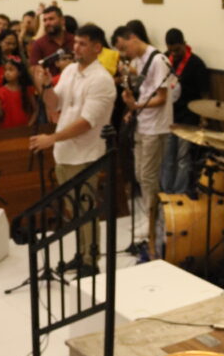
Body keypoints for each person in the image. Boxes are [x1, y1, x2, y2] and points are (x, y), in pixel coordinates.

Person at [29, 20, 118, 191]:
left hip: (84, 156)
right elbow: (54, 104)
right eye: (75, 42)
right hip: (64, 152)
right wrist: (47, 85)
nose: (75, 48)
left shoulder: (101, 79)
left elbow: (86, 122)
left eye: (82, 44)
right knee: (69, 204)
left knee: (83, 205)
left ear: (97, 48)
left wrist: (51, 138)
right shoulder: (70, 70)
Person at [117, 21, 174, 259]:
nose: (125, 54)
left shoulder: (158, 60)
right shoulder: (139, 61)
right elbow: (144, 92)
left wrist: (136, 105)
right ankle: (146, 217)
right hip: (142, 123)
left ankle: (154, 223)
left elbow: (162, 97)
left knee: (149, 177)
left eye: (124, 48)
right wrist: (132, 107)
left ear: (133, 38)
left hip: (156, 127)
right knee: (140, 174)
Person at [161, 27, 213, 194]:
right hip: (168, 115)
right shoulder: (164, 60)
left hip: (188, 117)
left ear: (184, 44)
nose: (174, 54)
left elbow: (205, 94)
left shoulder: (196, 64)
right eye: (171, 50)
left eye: (177, 50)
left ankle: (179, 192)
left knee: (183, 158)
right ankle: (166, 191)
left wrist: (204, 117)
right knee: (167, 157)